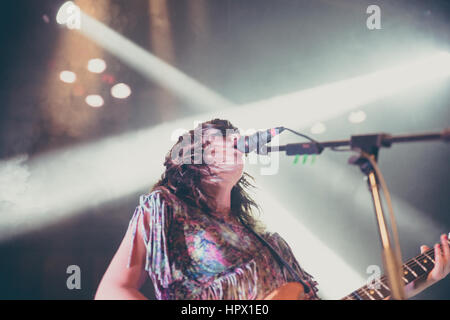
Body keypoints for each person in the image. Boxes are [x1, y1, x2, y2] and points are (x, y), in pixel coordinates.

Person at [95, 119, 449, 300]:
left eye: (234, 135)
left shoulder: (263, 240)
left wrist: (420, 281)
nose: (235, 139)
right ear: (191, 158)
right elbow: (112, 291)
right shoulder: (164, 207)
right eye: (218, 137)